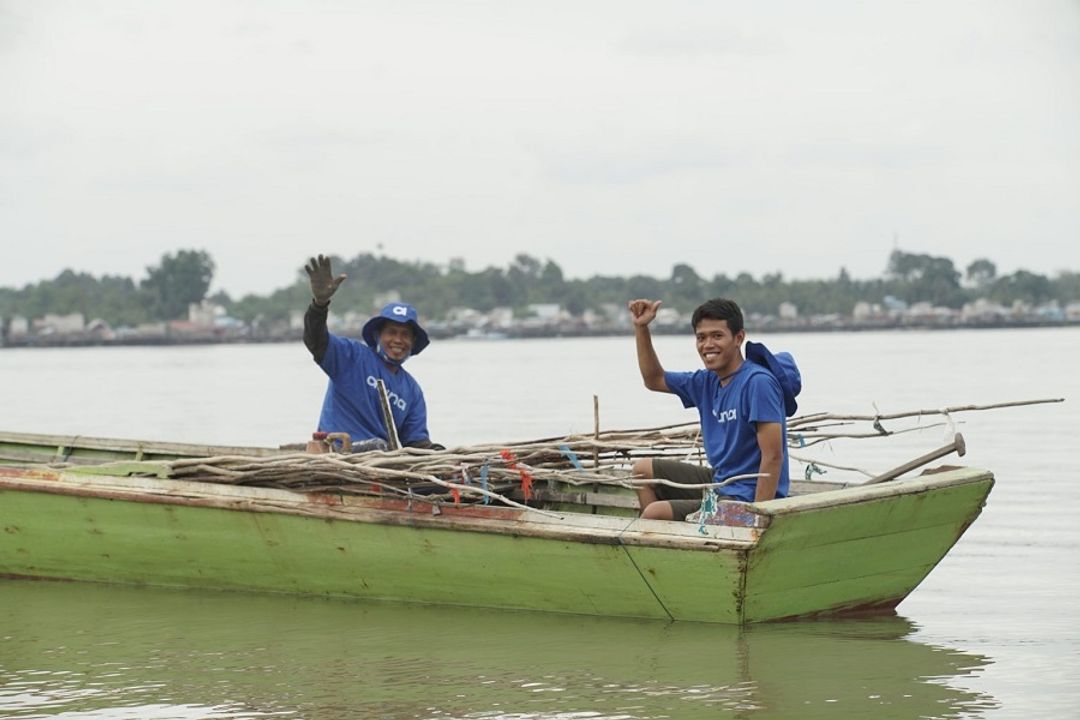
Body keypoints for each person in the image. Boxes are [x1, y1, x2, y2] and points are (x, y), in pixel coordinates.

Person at [627, 297, 801, 520]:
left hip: (746, 496)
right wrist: (641, 328)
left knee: (654, 513)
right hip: (721, 481)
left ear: (739, 338)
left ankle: (674, 536)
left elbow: (773, 456)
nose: (708, 345)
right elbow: (654, 379)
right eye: (701, 337)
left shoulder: (758, 383)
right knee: (642, 471)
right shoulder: (706, 382)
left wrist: (758, 516)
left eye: (717, 336)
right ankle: (684, 543)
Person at [303, 254, 440, 450]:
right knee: (377, 446)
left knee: (380, 448)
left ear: (413, 342)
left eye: (405, 335)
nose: (398, 340)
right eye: (391, 332)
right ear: (377, 335)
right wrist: (319, 305)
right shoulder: (351, 356)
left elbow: (415, 441)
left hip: (379, 461)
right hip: (339, 453)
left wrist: (436, 453)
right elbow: (315, 340)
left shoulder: (412, 390)